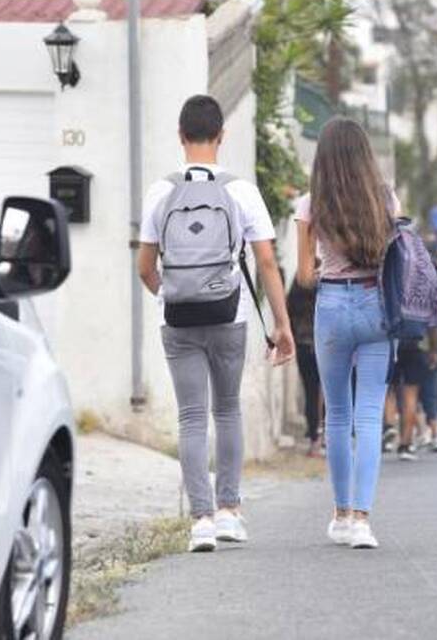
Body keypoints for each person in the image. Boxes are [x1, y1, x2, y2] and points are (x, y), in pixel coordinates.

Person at [137, 95, 295, 553]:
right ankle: (229, 511)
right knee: (226, 410)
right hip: (231, 315)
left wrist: (171, 294)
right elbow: (267, 262)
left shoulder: (160, 192)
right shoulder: (241, 191)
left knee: (191, 416)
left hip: (177, 320)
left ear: (181, 136)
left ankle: (201, 521)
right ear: (221, 137)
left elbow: (144, 268)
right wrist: (281, 324)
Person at [295, 117, 399, 550]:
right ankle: (362, 520)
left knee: (336, 415)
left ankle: (339, 515)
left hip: (333, 307)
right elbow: (395, 259)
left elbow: (304, 276)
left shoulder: (311, 205)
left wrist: (327, 267)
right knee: (369, 414)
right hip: (377, 306)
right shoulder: (385, 199)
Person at [287, 281, 322, 457]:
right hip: (326, 344)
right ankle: (325, 437)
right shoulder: (326, 283)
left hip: (304, 344)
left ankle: (315, 438)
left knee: (310, 392)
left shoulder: (298, 285)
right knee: (331, 393)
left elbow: (289, 311)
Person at [394, 333, 437, 460]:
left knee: (390, 392)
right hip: (416, 347)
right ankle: (405, 444)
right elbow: (434, 326)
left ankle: (388, 428)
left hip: (393, 346)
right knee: (411, 396)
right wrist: (434, 350)